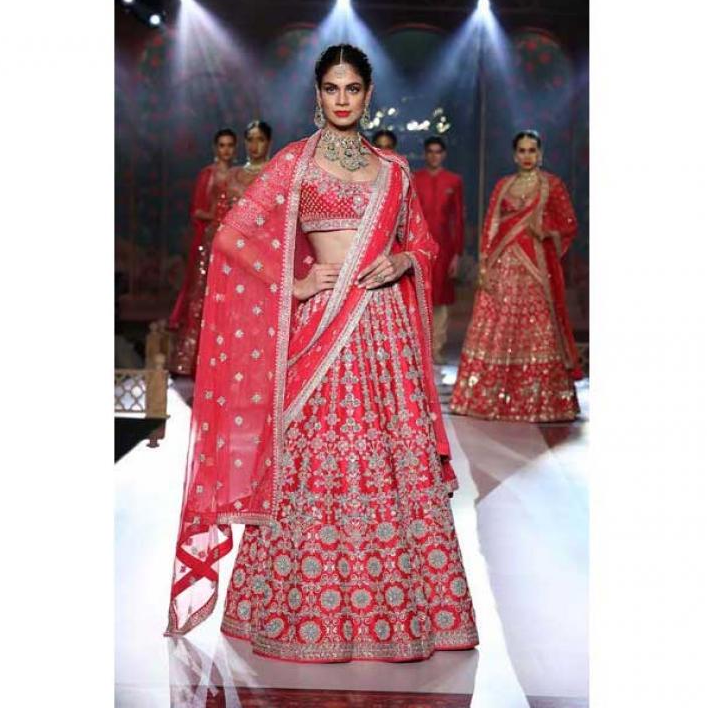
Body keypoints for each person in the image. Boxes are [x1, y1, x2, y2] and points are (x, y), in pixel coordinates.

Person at [165, 43, 479, 663]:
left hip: (383, 330)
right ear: (318, 94)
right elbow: (231, 238)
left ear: (368, 94)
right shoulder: (295, 163)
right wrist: (296, 282)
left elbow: (423, 243)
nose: (342, 99)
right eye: (331, 88)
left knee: (389, 457)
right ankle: (302, 608)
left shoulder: (394, 170)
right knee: (313, 456)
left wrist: (403, 260)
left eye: (352, 89)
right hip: (321, 328)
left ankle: (401, 607)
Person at [450, 130, 581, 421]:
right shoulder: (503, 185)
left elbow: (569, 224)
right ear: (514, 154)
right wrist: (485, 266)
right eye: (522, 150)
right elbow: (491, 226)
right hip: (503, 266)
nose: (527, 156)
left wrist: (546, 231)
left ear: (540, 153)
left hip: (536, 268)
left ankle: (540, 401)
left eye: (532, 150)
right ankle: (488, 398)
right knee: (495, 327)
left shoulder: (552, 185)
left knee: (539, 328)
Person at [167, 129, 238, 376]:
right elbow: (197, 210)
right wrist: (217, 216)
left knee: (227, 296)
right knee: (201, 295)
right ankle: (191, 360)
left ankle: (222, 358)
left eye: (230, 145)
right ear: (215, 148)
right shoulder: (208, 174)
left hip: (230, 242)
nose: (226, 150)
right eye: (222, 145)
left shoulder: (238, 175)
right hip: (209, 242)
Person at [412, 136, 465, 364]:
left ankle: (436, 349)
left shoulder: (454, 181)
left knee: (440, 299)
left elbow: (458, 219)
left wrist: (457, 254)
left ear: (443, 155)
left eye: (438, 152)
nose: (434, 156)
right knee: (417, 295)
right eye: (430, 152)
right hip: (418, 246)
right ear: (425, 154)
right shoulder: (414, 178)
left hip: (444, 248)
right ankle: (418, 350)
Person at [226, 120, 272, 205]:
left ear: (269, 142)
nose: (254, 146)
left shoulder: (274, 174)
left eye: (260, 140)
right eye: (250, 140)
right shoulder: (232, 174)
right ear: (245, 142)